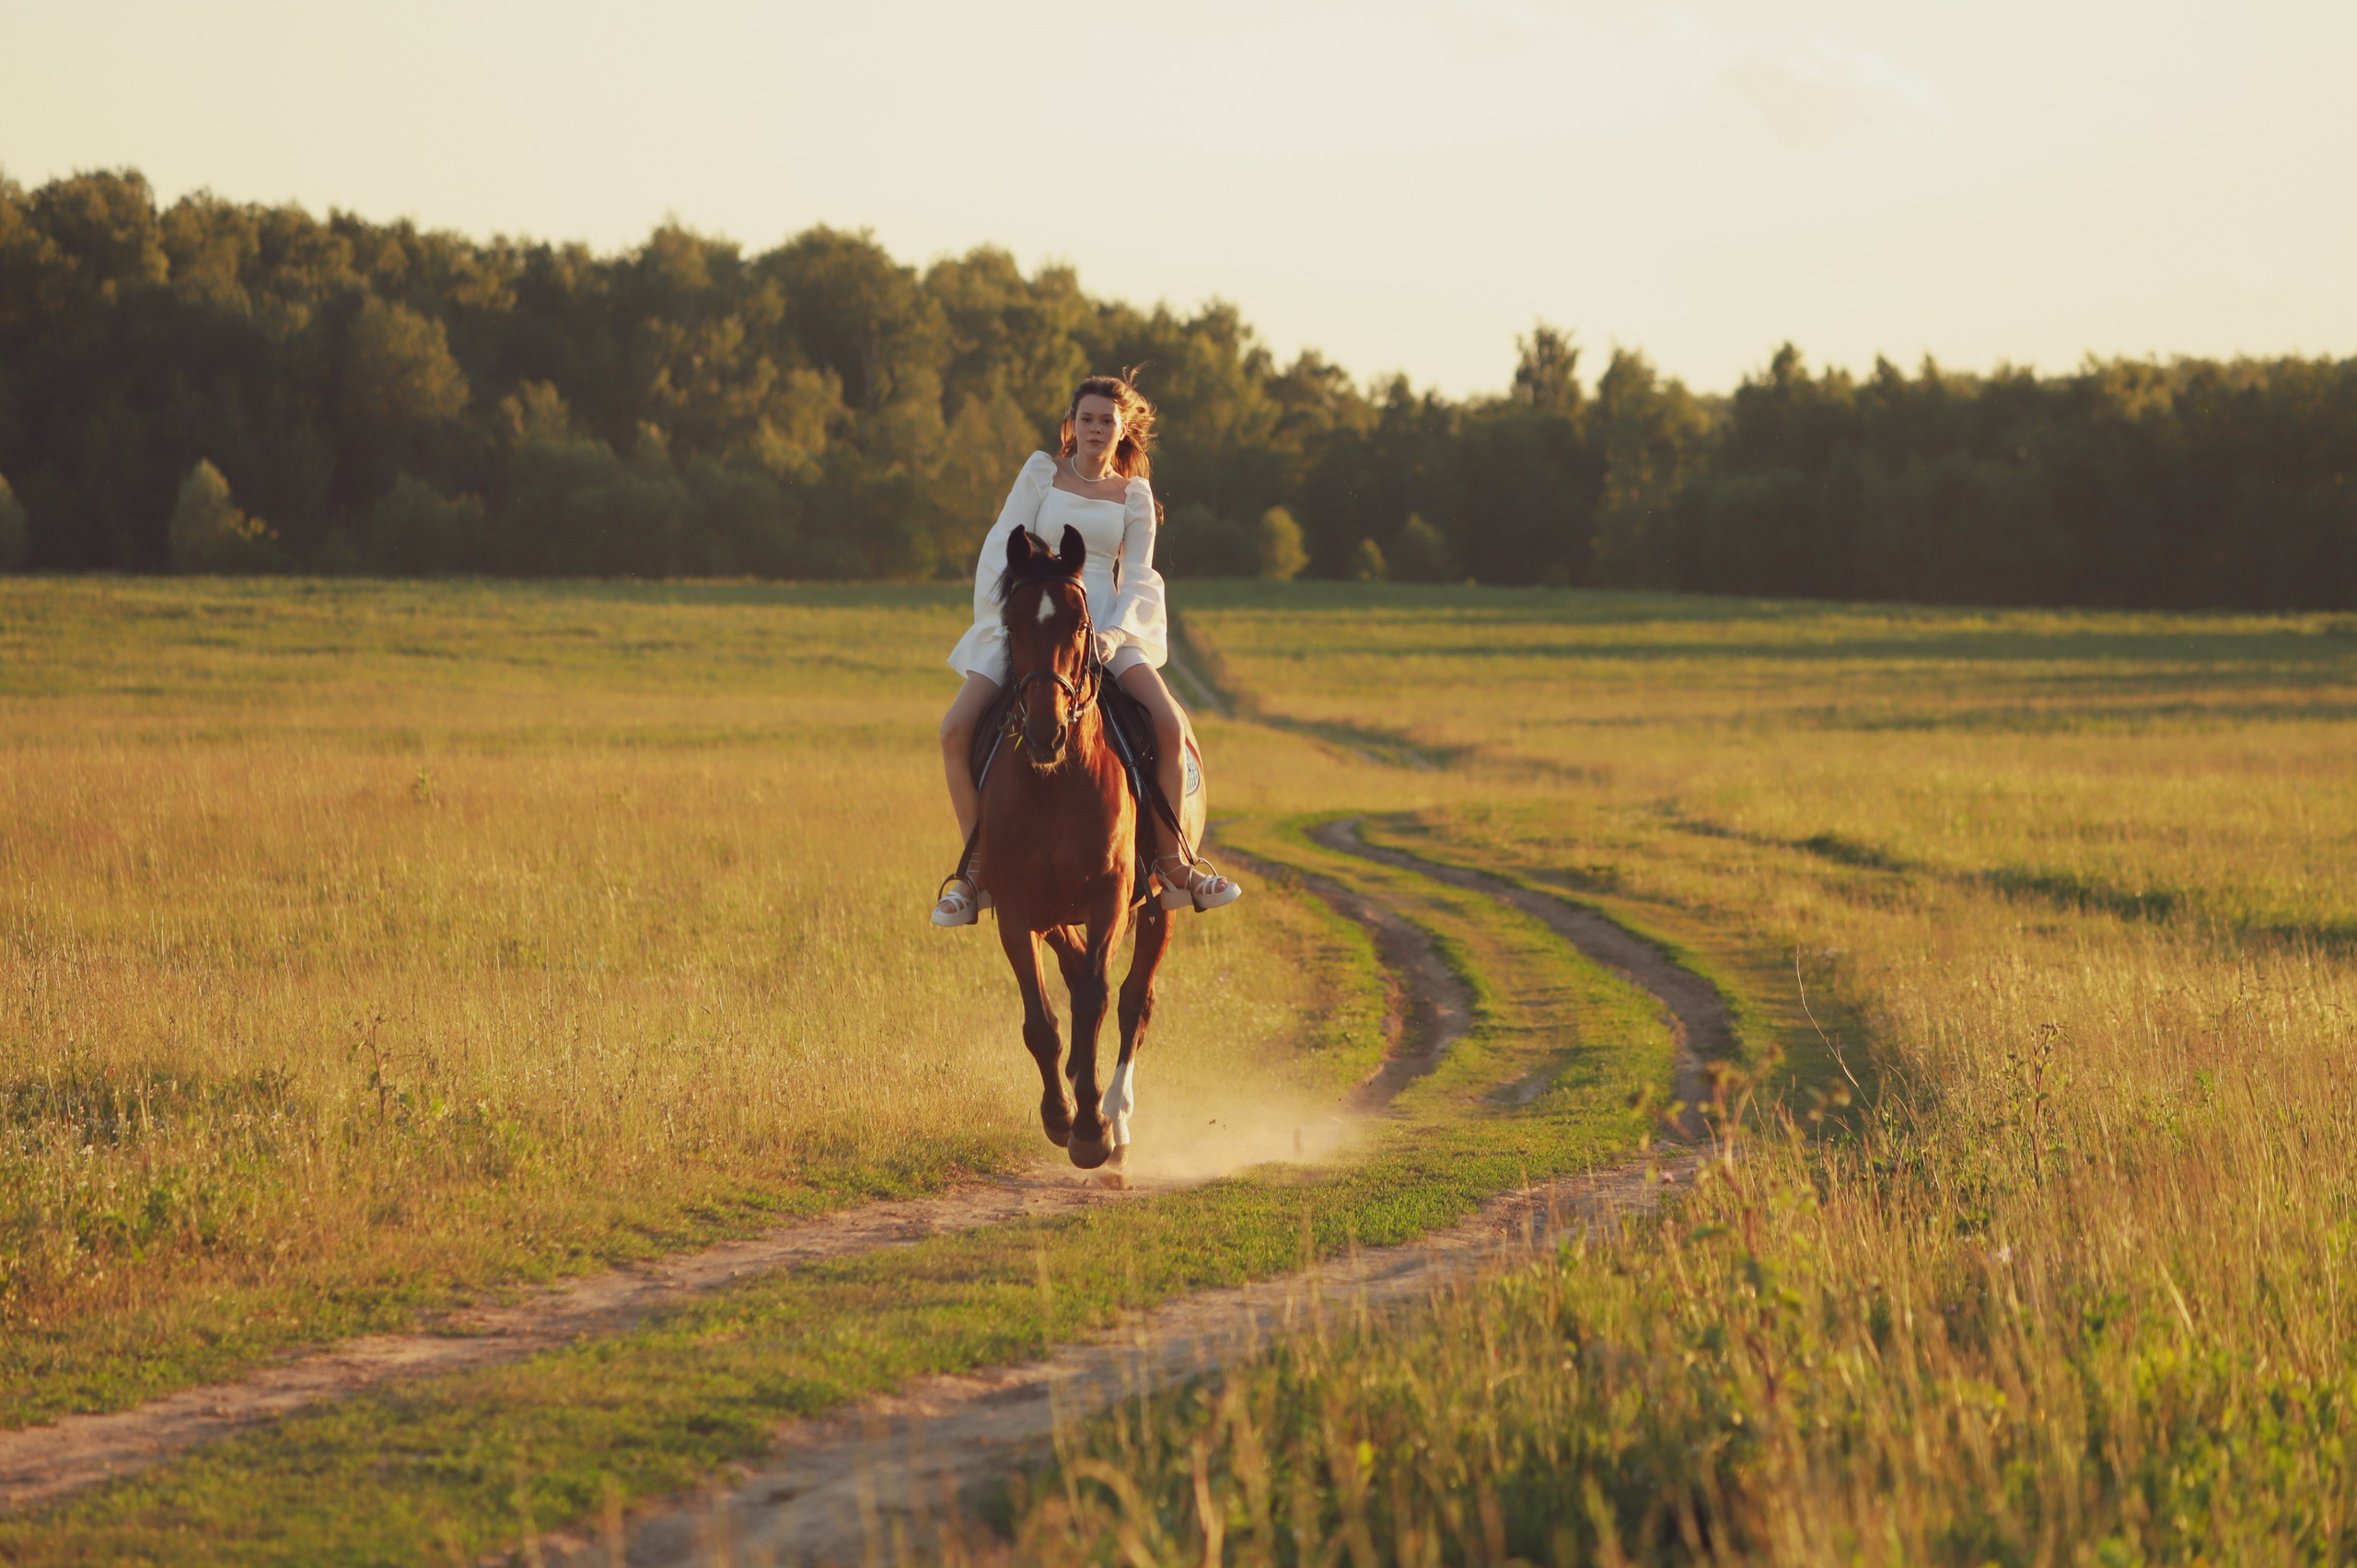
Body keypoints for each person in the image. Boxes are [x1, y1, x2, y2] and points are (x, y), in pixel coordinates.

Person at [932, 372, 1242, 926]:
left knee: (1170, 723)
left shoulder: (1134, 496)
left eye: (1107, 420)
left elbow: (1141, 577)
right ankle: (975, 872)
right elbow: (1002, 545)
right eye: (1087, 418)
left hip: (1105, 627)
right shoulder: (1041, 473)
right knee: (954, 729)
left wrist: (1113, 635)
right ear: (1071, 424)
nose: (1096, 429)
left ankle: (1174, 862)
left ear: (1123, 430)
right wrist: (1014, 622)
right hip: (1034, 622)